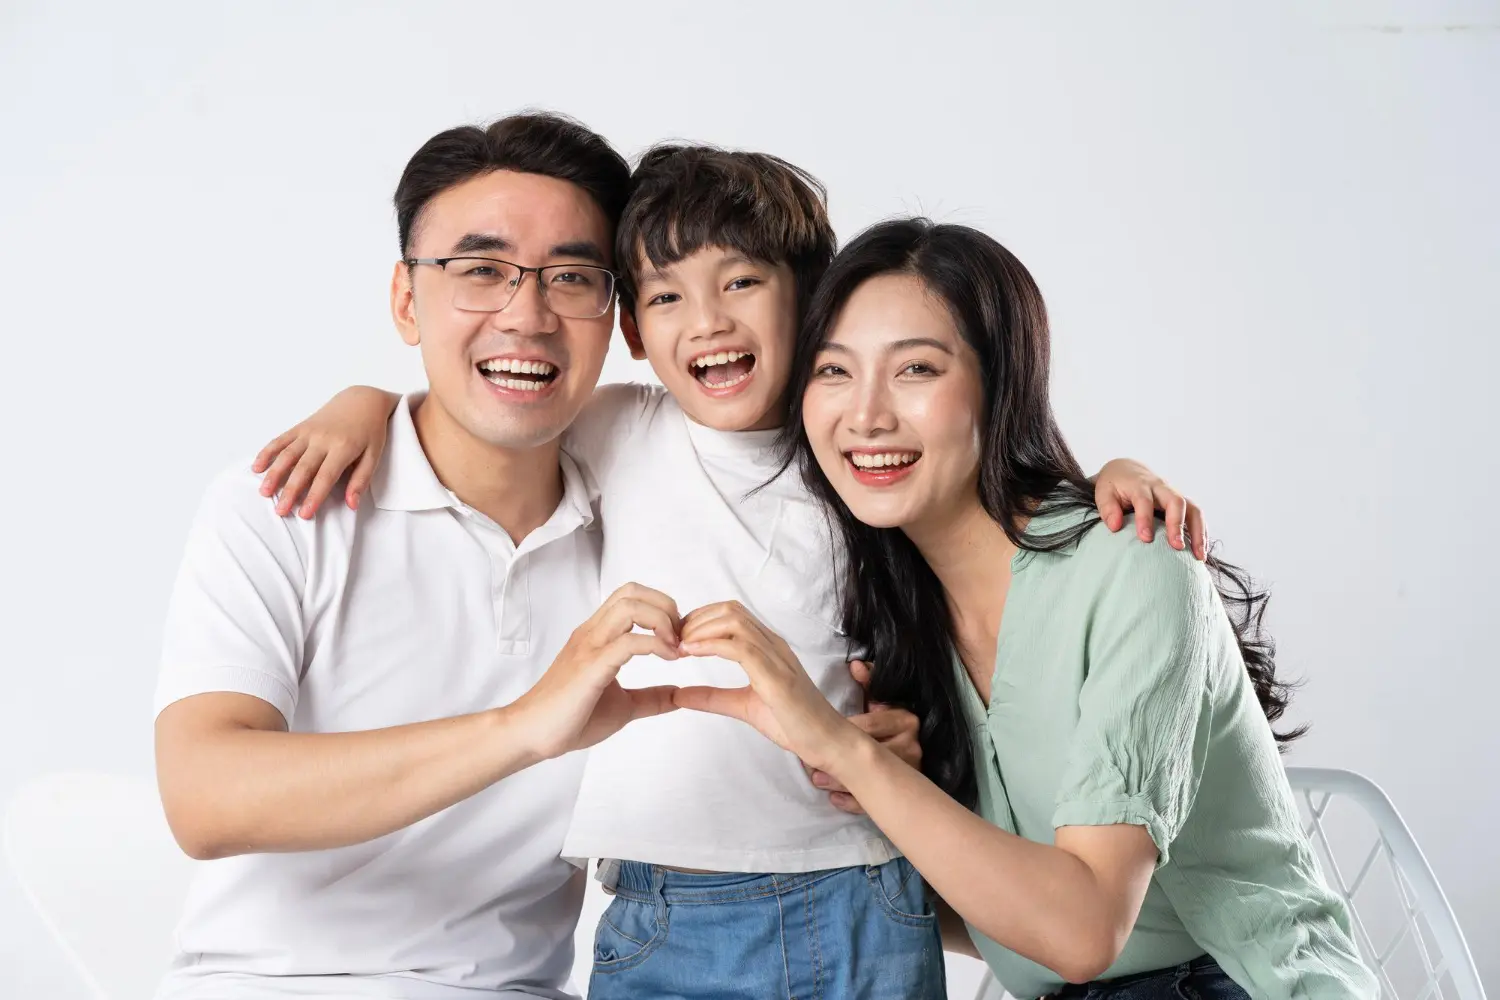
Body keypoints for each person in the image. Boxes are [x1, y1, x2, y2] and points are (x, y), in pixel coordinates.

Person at [254, 149, 1203, 996]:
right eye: (665, 296)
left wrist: (1111, 480)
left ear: (813, 296)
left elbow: (987, 494)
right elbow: (483, 397)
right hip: (665, 904)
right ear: (630, 329)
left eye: (742, 281)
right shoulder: (617, 428)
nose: (706, 321)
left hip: (864, 889)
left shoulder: (859, 458)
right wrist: (364, 403)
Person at [663, 217, 1380, 999]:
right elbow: (995, 917)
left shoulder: (1131, 562)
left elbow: (1082, 932)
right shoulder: (895, 614)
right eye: (834, 372)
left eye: (917, 370)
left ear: (1000, 385)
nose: (865, 415)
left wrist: (847, 753)